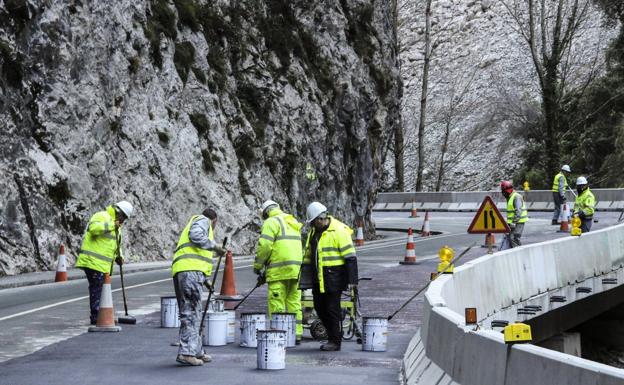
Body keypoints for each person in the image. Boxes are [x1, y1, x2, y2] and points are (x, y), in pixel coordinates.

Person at [171, 208, 226, 366]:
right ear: (214, 220)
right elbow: (195, 236)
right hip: (190, 271)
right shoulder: (204, 221)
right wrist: (215, 246)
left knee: (195, 312)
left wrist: (206, 280)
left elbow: (198, 254)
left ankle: (196, 351)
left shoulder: (197, 222)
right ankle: (186, 353)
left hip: (189, 272)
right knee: (190, 312)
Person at [302, 202, 358, 351]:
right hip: (318, 279)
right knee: (320, 308)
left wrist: (353, 281)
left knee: (332, 308)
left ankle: (335, 341)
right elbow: (309, 256)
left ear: (320, 219)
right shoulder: (314, 232)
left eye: (314, 222)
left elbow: (350, 258)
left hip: (334, 278)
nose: (312, 225)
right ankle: (333, 335)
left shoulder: (339, 231)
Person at [254, 200, 304, 344]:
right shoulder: (291, 220)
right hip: (295, 270)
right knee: (294, 303)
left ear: (265, 212)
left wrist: (258, 266)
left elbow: (265, 246)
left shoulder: (271, 222)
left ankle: (278, 333)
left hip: (279, 270)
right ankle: (297, 334)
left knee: (277, 302)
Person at [76, 200, 133, 325]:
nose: (123, 220)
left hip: (102, 264)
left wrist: (120, 256)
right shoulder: (102, 216)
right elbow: (93, 229)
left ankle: (99, 315)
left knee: (99, 288)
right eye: (123, 217)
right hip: (92, 261)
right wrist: (112, 225)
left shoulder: (117, 227)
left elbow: (116, 244)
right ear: (118, 212)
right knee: (97, 288)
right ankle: (96, 317)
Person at [501, 181, 528, 248]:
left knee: (514, 238)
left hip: (519, 221)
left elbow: (518, 211)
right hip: (513, 222)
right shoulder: (510, 197)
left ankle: (519, 252)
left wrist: (514, 222)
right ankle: (517, 251)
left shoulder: (516, 197)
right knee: (511, 238)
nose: (503, 193)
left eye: (504, 191)